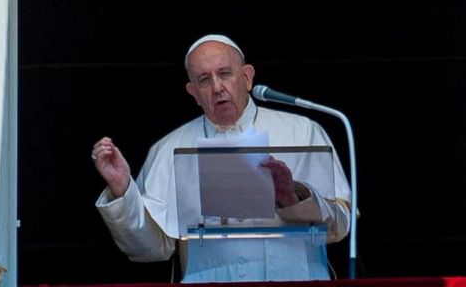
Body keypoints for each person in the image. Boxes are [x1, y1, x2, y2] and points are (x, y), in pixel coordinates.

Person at [92, 34, 351, 282]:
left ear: (247, 77)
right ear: (192, 92)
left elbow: (339, 226)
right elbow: (149, 249)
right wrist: (123, 191)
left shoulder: (303, 131)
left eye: (225, 74)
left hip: (296, 280)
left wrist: (291, 197)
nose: (217, 87)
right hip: (210, 284)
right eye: (204, 80)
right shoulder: (169, 148)